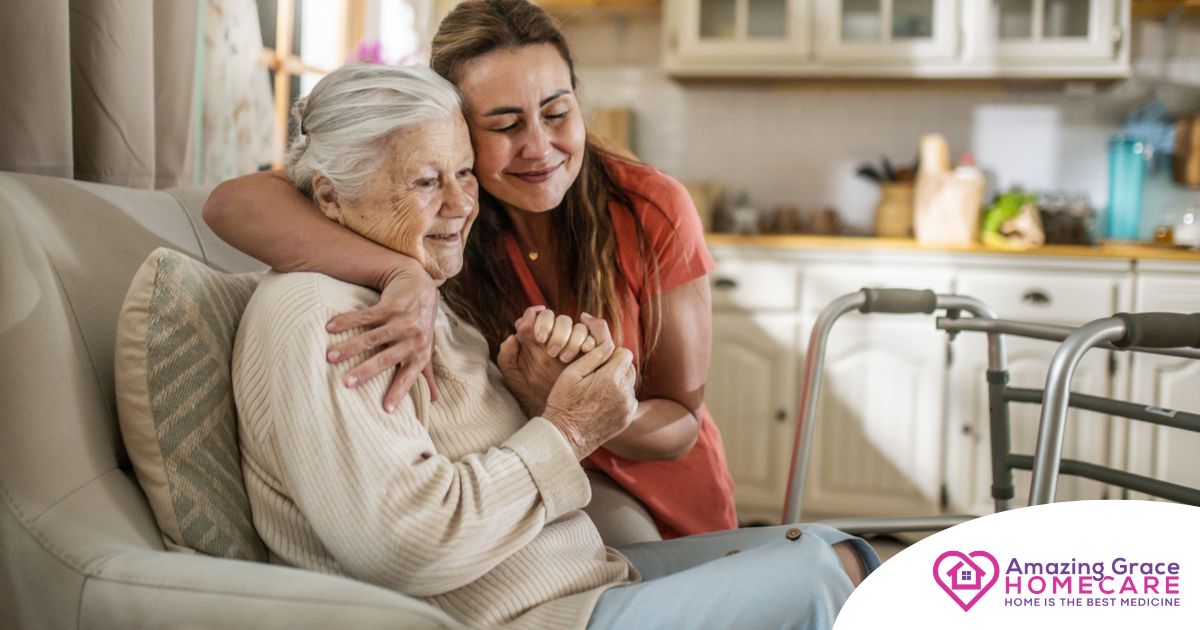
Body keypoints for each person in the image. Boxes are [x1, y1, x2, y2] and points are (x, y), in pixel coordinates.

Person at [234, 62, 877, 629]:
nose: (463, 204)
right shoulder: (324, 317)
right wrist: (566, 428)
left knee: (838, 548)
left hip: (578, 579)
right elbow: (407, 541)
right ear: (328, 195)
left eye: (462, 173)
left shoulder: (413, 286)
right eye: (426, 182)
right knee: (823, 579)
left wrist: (534, 392)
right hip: (537, 616)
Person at [205, 0, 734, 541]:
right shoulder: (446, 218)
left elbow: (682, 425)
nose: (539, 147)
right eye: (504, 124)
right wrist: (399, 273)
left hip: (666, 499)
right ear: (456, 127)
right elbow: (231, 204)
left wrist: (586, 407)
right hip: (534, 493)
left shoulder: (649, 207)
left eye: (557, 113)